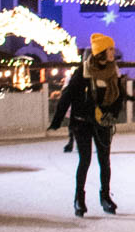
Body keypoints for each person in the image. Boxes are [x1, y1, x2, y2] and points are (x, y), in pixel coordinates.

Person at [48, 33, 126, 217]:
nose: (113, 52)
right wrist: (58, 120)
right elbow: (67, 96)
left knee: (104, 161)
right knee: (85, 160)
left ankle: (105, 197)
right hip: (82, 123)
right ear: (101, 52)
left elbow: (119, 96)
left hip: (103, 123)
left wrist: (112, 114)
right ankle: (79, 198)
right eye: (110, 49)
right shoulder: (83, 72)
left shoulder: (113, 72)